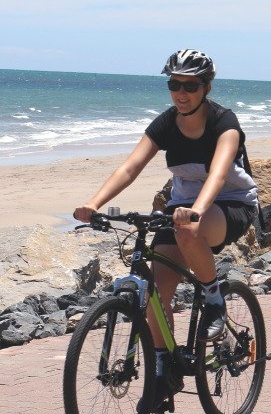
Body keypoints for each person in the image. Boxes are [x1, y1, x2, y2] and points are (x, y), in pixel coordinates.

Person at [73, 48, 259, 410]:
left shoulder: (225, 123)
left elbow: (219, 174)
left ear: (206, 87)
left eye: (190, 85)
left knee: (189, 231)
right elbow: (130, 168)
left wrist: (196, 211)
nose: (181, 92)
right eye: (174, 84)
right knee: (156, 295)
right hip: (182, 209)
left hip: (229, 204)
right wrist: (94, 204)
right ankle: (163, 373)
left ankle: (214, 299)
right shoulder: (166, 122)